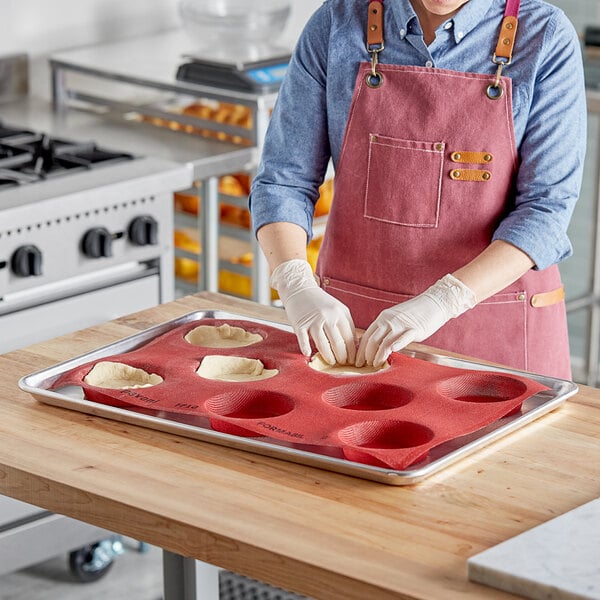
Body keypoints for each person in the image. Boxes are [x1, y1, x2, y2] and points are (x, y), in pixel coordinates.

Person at [249, 0, 587, 379]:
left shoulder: (545, 35)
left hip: (498, 339)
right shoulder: (337, 24)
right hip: (358, 338)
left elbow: (546, 209)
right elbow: (283, 180)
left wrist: (445, 300)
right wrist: (294, 280)